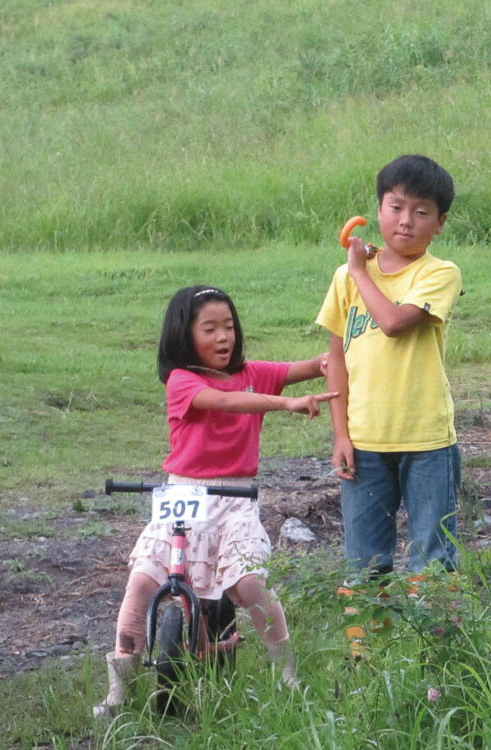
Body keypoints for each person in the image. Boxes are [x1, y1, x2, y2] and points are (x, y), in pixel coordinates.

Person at [94, 285, 336, 719]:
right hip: (184, 493)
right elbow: (225, 402)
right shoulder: (182, 381)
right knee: (143, 583)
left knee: (250, 583)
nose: (223, 337)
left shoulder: (253, 374)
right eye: (209, 329)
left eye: (228, 326)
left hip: (234, 497)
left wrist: (332, 358)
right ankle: (118, 692)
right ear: (184, 335)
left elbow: (315, 365)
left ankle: (288, 678)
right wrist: (286, 403)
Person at [316, 154, 462, 578]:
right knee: (364, 565)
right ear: (378, 209)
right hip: (364, 439)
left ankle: (433, 626)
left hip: (427, 439)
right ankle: (367, 628)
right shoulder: (345, 278)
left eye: (422, 212)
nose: (406, 221)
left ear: (440, 223)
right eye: (396, 207)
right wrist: (341, 435)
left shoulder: (440, 273)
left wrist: (359, 272)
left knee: (432, 563)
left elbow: (395, 324)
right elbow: (336, 359)